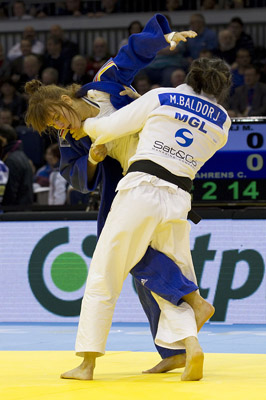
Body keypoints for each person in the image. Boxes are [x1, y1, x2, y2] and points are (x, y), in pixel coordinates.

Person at [25, 15, 213, 375]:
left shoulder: (104, 86)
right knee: (145, 271)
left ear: (66, 98)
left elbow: (130, 53)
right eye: (52, 127)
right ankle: (176, 348)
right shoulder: (72, 140)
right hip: (131, 190)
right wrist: (93, 161)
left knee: (118, 264)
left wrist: (164, 37)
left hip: (159, 169)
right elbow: (76, 179)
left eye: (56, 116)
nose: (59, 127)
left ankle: (188, 303)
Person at [63, 57, 231, 381]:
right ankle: (190, 343)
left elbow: (110, 128)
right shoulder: (223, 123)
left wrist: (84, 124)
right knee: (163, 278)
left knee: (104, 272)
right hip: (180, 198)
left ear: (190, 77)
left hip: (141, 189)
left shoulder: (163, 96)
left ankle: (87, 364)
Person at [0, 124, 33, 206]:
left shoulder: (11, 160)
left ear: (3, 139)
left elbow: (10, 192)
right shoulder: (20, 155)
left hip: (14, 212)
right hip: (22, 209)